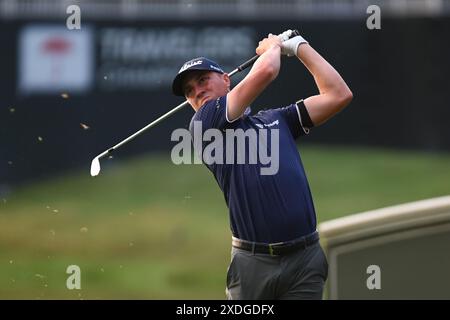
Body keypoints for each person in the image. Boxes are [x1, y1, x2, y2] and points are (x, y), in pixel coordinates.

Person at [171, 29, 352, 299]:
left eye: (202, 80)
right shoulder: (204, 123)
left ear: (225, 80)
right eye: (189, 91)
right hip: (253, 264)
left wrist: (300, 47)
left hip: (305, 259)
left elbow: (338, 94)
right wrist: (274, 46)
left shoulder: (277, 119)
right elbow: (266, 71)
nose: (197, 91)